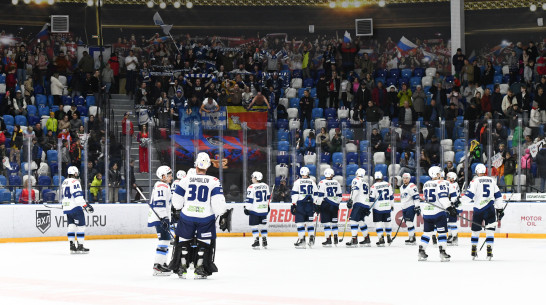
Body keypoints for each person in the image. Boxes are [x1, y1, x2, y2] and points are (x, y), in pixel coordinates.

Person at [170, 152, 231, 279]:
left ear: (196, 165)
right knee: (204, 242)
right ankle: (200, 267)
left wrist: (177, 209)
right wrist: (222, 213)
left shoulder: (185, 179)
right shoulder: (214, 181)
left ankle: (182, 266)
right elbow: (218, 202)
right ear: (207, 166)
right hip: (206, 218)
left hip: (187, 216)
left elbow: (176, 200)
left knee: (183, 240)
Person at [459, 164, 504, 260]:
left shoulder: (475, 181)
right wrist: (500, 209)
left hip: (478, 210)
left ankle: (473, 251)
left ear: (476, 171)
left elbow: (469, 196)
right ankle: (489, 252)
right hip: (490, 209)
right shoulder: (492, 180)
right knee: (490, 232)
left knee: (475, 231)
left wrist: (458, 204)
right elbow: (498, 196)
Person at [418, 166, 452, 262]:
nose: (440, 175)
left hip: (427, 213)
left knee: (427, 233)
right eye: (438, 173)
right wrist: (449, 207)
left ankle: (421, 250)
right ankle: (442, 252)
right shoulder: (441, 182)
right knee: (442, 233)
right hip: (438, 212)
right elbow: (443, 197)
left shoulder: (426, 184)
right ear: (435, 174)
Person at [62, 166, 94, 254]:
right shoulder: (75, 181)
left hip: (67, 207)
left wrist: (65, 205)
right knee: (81, 226)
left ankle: (72, 246)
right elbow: (78, 196)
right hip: (75, 207)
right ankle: (80, 246)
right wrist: (85, 206)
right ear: (74, 173)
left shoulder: (64, 181)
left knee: (71, 226)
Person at [148, 166, 173, 276]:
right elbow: (159, 203)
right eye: (169, 175)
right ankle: (158, 266)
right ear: (163, 176)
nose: (171, 177)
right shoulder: (162, 186)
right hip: (160, 218)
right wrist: (164, 218)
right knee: (163, 240)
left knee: (166, 240)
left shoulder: (164, 185)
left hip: (160, 217)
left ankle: (162, 263)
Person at [290, 167, 318, 249]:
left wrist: (293, 204)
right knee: (310, 223)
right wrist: (315, 203)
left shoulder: (297, 182)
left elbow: (295, 194)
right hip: (310, 204)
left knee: (300, 223)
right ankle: (311, 239)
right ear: (308, 173)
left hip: (301, 204)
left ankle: (302, 240)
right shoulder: (312, 182)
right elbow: (316, 194)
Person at [243, 171, 270, 249]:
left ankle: (256, 241)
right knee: (263, 225)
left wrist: (246, 208)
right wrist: (267, 206)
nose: (251, 179)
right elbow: (268, 198)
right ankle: (264, 241)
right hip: (264, 210)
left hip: (254, 210)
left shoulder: (251, 187)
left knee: (254, 226)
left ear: (256, 178)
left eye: (253, 177)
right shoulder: (266, 186)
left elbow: (249, 200)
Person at [316, 168, 342, 247]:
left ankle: (328, 239)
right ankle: (336, 238)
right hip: (334, 205)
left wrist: (318, 205)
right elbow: (340, 195)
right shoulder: (336, 182)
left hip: (325, 204)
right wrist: (337, 203)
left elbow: (320, 195)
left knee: (326, 223)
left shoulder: (322, 182)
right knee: (334, 223)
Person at [346, 168, 371, 247]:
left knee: (353, 220)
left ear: (357, 173)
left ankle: (354, 239)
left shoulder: (356, 179)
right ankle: (366, 238)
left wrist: (351, 200)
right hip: (366, 204)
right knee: (360, 221)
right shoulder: (366, 182)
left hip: (359, 203)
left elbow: (355, 191)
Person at [369, 171, 394, 246]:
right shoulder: (388, 184)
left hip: (377, 208)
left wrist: (370, 208)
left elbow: (371, 199)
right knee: (387, 223)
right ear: (382, 177)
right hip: (387, 207)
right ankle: (389, 237)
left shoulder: (373, 186)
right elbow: (391, 196)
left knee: (378, 223)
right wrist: (392, 205)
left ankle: (381, 238)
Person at [400, 173, 420, 245]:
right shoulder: (401, 187)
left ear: (409, 179)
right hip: (404, 207)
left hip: (410, 206)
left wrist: (417, 206)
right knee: (408, 223)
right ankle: (411, 236)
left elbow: (416, 197)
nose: (405, 179)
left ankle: (412, 238)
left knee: (409, 222)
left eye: (406, 178)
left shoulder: (412, 186)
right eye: (404, 178)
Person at [445, 172, 461, 246]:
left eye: (448, 178)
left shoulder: (453, 185)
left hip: (454, 205)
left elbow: (454, 197)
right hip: (451, 205)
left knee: (452, 222)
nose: (447, 179)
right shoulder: (452, 184)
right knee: (449, 222)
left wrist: (451, 204)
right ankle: (451, 235)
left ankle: (455, 237)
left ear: (452, 178)